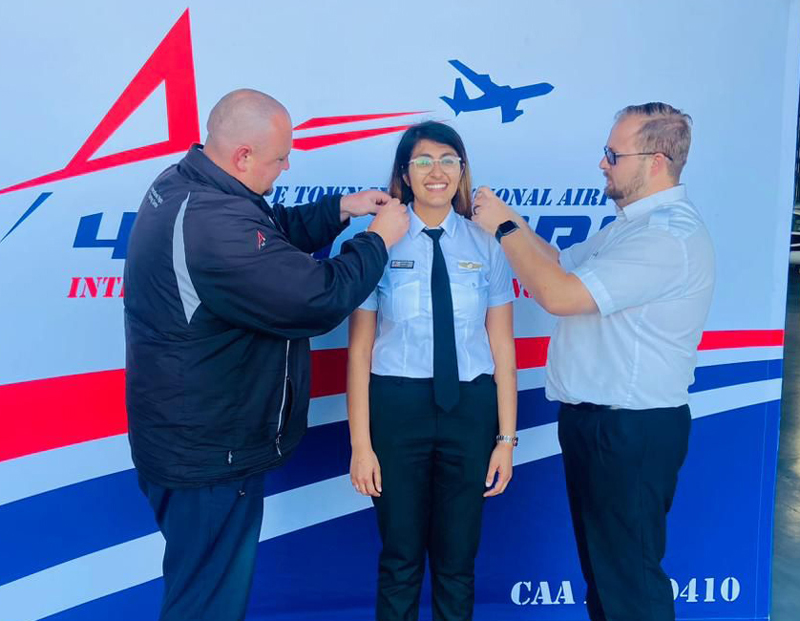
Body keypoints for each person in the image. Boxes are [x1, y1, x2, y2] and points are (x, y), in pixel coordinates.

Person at [124, 88, 409, 621]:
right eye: (280, 158)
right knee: (206, 605)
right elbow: (316, 297)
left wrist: (337, 211)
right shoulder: (214, 224)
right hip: (209, 455)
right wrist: (377, 240)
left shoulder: (186, 183)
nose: (287, 166)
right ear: (243, 157)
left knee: (195, 587)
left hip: (186, 440)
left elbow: (264, 236)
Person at [472, 102, 715, 621]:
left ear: (655, 161)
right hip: (599, 425)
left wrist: (503, 231)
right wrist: (509, 219)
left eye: (612, 154)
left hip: (631, 429)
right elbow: (560, 263)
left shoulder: (665, 237)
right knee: (606, 579)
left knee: (629, 583)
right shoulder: (631, 225)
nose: (602, 163)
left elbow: (558, 294)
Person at [347, 121, 518, 621]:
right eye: (423, 161)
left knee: (458, 561)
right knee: (400, 559)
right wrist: (361, 446)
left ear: (462, 170)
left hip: (470, 410)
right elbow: (359, 354)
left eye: (448, 159)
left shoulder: (487, 244)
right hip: (397, 410)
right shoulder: (379, 242)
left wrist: (506, 440)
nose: (436, 171)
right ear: (405, 172)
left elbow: (502, 351)